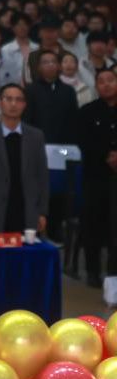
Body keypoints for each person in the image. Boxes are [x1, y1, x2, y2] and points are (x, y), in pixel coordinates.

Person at [0, 84, 49, 236]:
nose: (13, 104)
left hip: (26, 213)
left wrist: (42, 212)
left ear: (24, 105)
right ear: (0, 103)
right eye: (8, 99)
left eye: (19, 100)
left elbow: (42, 178)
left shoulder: (36, 137)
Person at [77, 68, 117, 287]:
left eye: (111, 80)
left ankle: (113, 273)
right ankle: (92, 270)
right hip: (95, 175)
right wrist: (106, 156)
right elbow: (83, 141)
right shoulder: (87, 111)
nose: (106, 84)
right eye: (101, 81)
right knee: (93, 222)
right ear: (96, 86)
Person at [24, 50, 78, 144]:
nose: (50, 65)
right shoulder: (30, 90)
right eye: (45, 62)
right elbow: (27, 120)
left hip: (64, 143)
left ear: (59, 66)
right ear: (38, 67)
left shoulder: (68, 90)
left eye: (53, 62)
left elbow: (73, 120)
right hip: (37, 142)